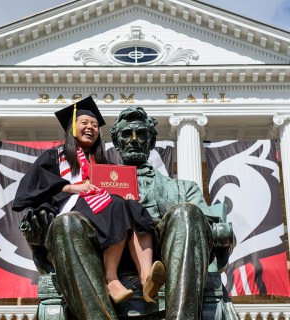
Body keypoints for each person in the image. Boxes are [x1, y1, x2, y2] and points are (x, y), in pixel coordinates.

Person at [12, 97, 165, 319]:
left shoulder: (103, 163)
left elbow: (117, 191)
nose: (91, 128)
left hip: (105, 211)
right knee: (116, 205)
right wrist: (71, 187)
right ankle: (111, 279)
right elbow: (36, 186)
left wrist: (128, 195)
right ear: (72, 127)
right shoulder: (55, 157)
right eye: (84, 123)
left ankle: (146, 278)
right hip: (73, 213)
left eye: (94, 125)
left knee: (130, 205)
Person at [110, 106, 216, 319]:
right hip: (112, 252)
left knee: (186, 212)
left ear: (150, 142)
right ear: (116, 143)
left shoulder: (184, 188)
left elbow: (210, 228)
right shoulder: (100, 185)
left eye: (140, 134)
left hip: (172, 254)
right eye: (126, 134)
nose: (133, 139)